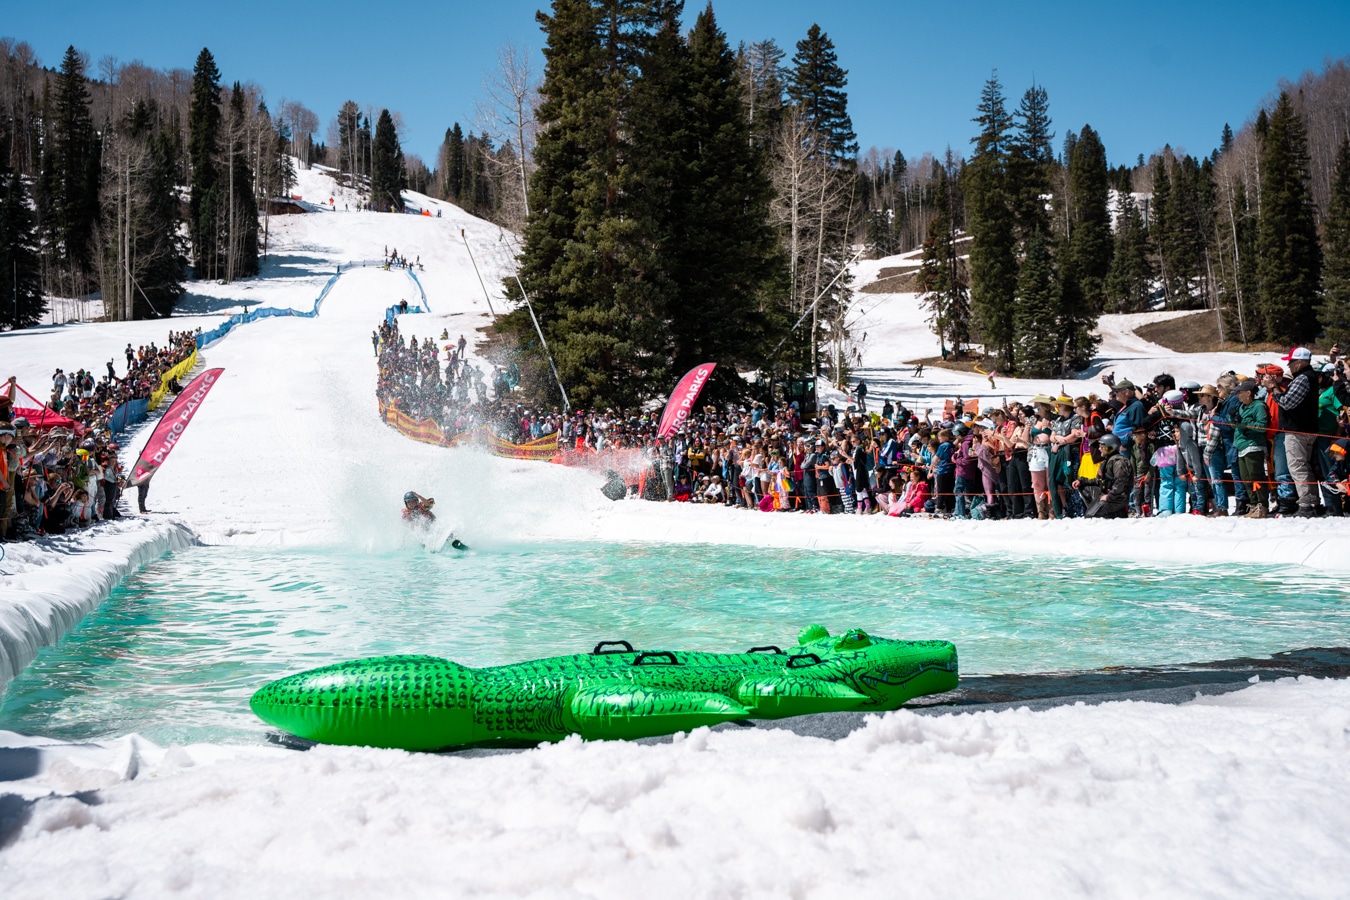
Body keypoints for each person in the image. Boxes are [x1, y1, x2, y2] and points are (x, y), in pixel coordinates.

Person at [1233, 380, 1270, 518]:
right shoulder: (1242, 407)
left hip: (1254, 446)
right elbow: (1235, 426)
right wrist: (1233, 418)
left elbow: (1262, 425)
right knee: (1246, 478)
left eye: (1240, 392)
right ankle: (1253, 505)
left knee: (1256, 476)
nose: (1238, 395)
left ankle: (1262, 504)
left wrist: (1244, 422)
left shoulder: (1259, 406)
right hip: (1241, 445)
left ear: (1249, 393)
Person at [1074, 434, 1132, 518]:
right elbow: (1099, 480)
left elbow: (1120, 484)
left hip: (1117, 498)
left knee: (1091, 516)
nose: (1099, 449)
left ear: (1111, 447)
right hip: (1108, 494)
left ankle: (1117, 512)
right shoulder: (1106, 461)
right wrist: (1081, 481)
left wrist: (1109, 497)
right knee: (1084, 487)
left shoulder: (1119, 462)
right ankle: (1102, 508)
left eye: (1102, 447)